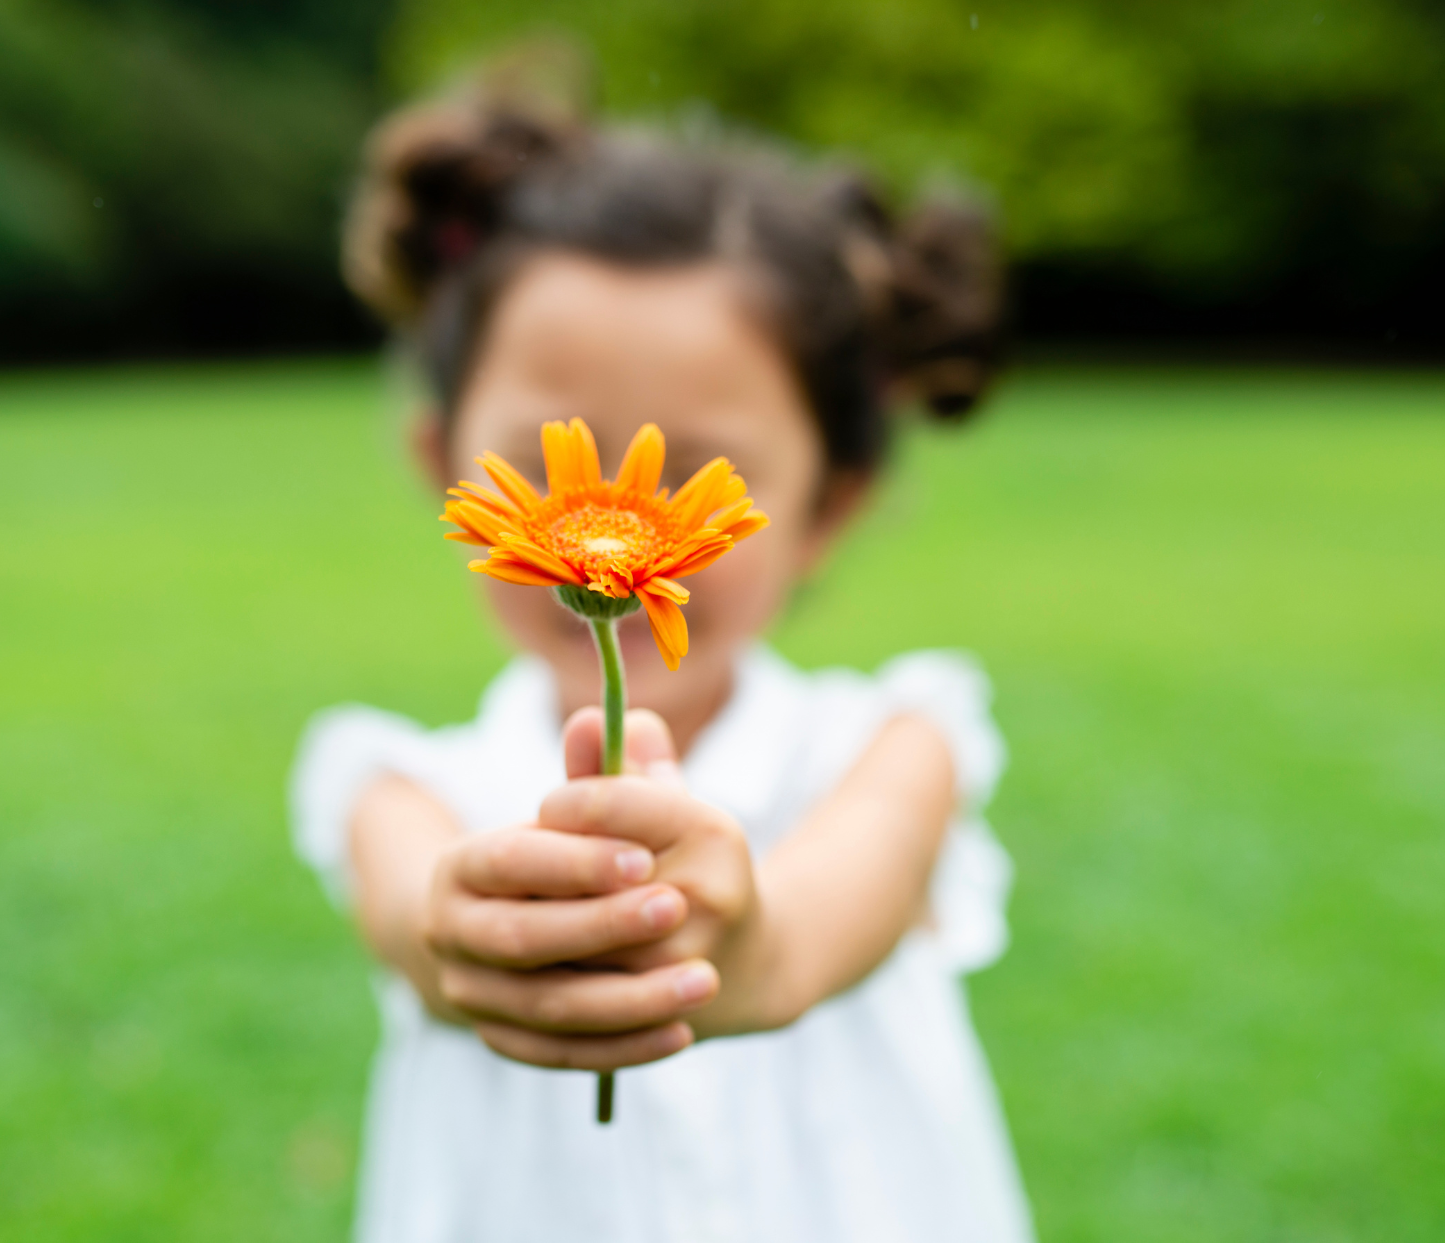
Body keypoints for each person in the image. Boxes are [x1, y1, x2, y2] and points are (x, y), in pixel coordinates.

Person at [291, 81, 1033, 1243]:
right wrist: (479, 941)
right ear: (446, 467)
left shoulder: (894, 748)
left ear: (830, 504)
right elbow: (420, 922)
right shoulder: (398, 788)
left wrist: (751, 952)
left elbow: (827, 914)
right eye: (543, 466)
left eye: (693, 477)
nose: (615, 514)